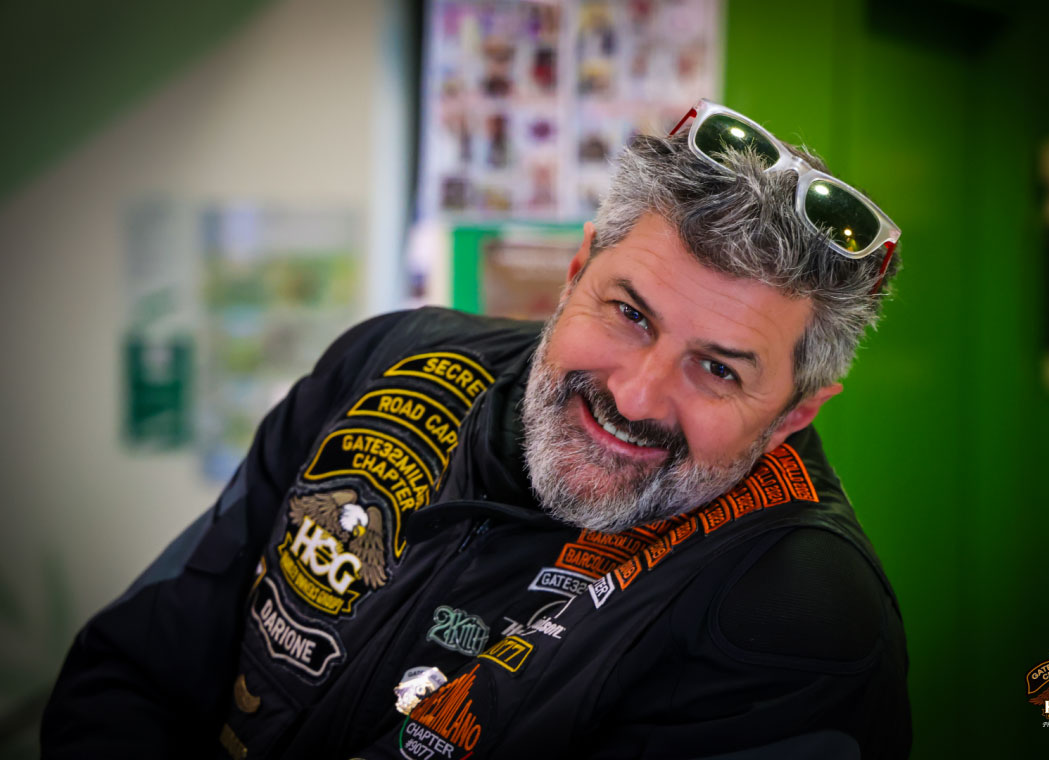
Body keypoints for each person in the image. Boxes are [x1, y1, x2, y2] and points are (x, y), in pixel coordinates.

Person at [42, 100, 910, 759]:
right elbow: (134, 668)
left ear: (794, 414)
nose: (637, 395)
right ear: (576, 271)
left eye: (718, 369)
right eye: (629, 314)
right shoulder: (390, 360)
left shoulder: (797, 612)